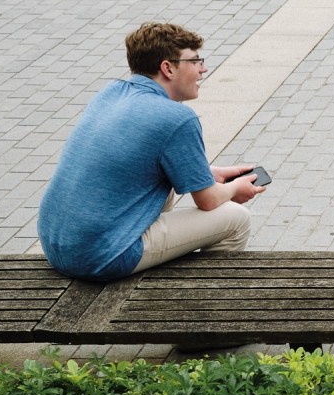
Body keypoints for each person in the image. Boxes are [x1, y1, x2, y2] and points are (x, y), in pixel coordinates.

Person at [37, 22, 265, 282]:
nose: (203, 68)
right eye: (195, 61)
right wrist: (236, 188)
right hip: (101, 256)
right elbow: (208, 201)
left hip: (58, 244)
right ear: (168, 68)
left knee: (162, 176)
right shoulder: (178, 118)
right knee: (236, 219)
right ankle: (206, 293)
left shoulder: (111, 93)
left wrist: (208, 173)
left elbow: (136, 162)